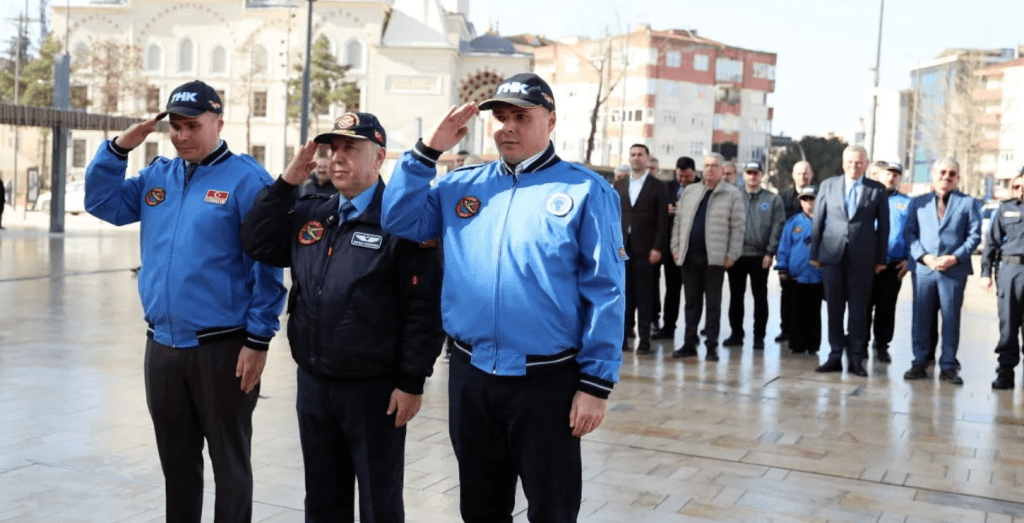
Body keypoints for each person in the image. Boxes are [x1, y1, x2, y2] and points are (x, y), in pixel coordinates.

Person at [380, 72, 625, 523]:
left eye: (521, 117)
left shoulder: (586, 190)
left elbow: (605, 291)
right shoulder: (461, 186)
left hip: (547, 383)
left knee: (552, 508)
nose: (507, 127)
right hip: (472, 378)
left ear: (550, 121)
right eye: (500, 117)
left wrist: (595, 385)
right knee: (480, 506)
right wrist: (426, 152)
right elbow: (398, 217)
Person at [83, 80, 286, 522]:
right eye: (174, 127)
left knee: (230, 466)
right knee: (177, 467)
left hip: (224, 348)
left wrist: (258, 340)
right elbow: (101, 203)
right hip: (163, 347)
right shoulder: (159, 176)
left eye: (192, 125)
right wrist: (119, 149)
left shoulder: (247, 179)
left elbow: (267, 265)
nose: (181, 136)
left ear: (218, 122)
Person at [240, 112, 444, 522]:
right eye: (333, 149)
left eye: (351, 148)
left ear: (379, 156)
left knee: (378, 502)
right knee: (322, 499)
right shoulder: (312, 213)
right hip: (314, 382)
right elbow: (258, 242)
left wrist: (410, 381)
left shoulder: (402, 221)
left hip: (374, 390)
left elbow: (424, 308)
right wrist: (285, 184)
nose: (337, 158)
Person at [809, 145, 888, 377]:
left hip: (862, 259)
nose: (855, 166)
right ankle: (834, 355)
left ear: (866, 164)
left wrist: (881, 258)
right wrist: (815, 253)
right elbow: (818, 221)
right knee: (834, 308)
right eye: (850, 162)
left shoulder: (877, 190)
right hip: (832, 256)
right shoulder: (828, 185)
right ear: (843, 164)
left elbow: (884, 227)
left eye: (859, 162)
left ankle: (855, 358)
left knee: (858, 310)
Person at [903, 158, 981, 385]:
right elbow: (910, 234)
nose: (946, 177)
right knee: (921, 317)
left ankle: (948, 365)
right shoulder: (918, 203)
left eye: (952, 173)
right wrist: (924, 257)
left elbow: (974, 235)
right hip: (925, 270)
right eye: (942, 172)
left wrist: (955, 257)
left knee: (950, 318)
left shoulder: (968, 203)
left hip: (953, 271)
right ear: (933, 175)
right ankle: (920, 362)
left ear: (958, 178)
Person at [669, 153, 745, 360]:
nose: (710, 169)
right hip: (689, 256)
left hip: (715, 259)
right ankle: (689, 343)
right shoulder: (690, 191)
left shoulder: (732, 194)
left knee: (713, 304)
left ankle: (711, 346)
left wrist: (732, 254)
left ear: (722, 170)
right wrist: (675, 247)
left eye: (714, 166)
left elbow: (738, 228)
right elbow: (678, 223)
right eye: (707, 165)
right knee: (691, 303)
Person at [723, 161, 784, 350]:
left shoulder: (772, 199)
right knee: (736, 296)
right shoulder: (733, 196)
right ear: (743, 175)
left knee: (760, 297)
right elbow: (725, 223)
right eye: (749, 173)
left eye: (756, 173)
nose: (752, 176)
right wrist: (727, 252)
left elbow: (777, 226)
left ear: (761, 175)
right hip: (737, 255)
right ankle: (736, 334)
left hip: (760, 256)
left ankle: (759, 337)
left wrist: (770, 252)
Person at [616, 144, 669, 354]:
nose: (636, 158)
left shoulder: (658, 186)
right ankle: (623, 338)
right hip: (622, 250)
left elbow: (663, 222)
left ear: (648, 159)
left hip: (646, 251)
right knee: (624, 296)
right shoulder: (619, 184)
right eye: (633, 154)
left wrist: (657, 247)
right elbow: (612, 217)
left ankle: (644, 338)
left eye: (640, 155)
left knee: (644, 295)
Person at [865, 161, 911, 363]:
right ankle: (859, 342)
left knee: (887, 306)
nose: (891, 177)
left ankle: (882, 344)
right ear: (879, 175)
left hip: (894, 264)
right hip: (866, 263)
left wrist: (909, 260)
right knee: (864, 304)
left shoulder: (907, 203)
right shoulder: (867, 198)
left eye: (895, 174)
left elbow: (913, 234)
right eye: (888, 173)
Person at [984, 171, 1024, 389]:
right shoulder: (1005, 209)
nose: (1020, 190)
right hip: (1011, 270)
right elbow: (991, 243)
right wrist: (985, 274)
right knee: (1008, 324)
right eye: (1017, 186)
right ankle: (1005, 372)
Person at [654, 156, 700, 341]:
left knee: (693, 294)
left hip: (694, 247)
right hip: (671, 247)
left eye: (687, 176)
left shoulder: (701, 187)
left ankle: (692, 331)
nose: (683, 180)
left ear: (694, 173)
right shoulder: (667, 187)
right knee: (672, 290)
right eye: (680, 176)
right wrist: (665, 211)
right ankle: (668, 327)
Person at [776, 186, 823, 355]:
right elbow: (784, 246)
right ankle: (797, 343)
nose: (809, 203)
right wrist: (782, 268)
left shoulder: (825, 221)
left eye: (812, 198)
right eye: (805, 199)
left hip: (817, 278)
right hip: (796, 277)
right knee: (796, 312)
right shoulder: (793, 222)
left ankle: (813, 344)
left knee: (813, 313)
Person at [776, 161, 814, 342]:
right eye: (799, 173)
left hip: (811, 260)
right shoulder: (783, 196)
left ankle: (804, 333)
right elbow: (778, 223)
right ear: (793, 175)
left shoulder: (818, 195)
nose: (803, 177)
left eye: (806, 173)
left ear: (811, 175)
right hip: (789, 253)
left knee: (808, 299)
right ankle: (786, 330)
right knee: (787, 294)